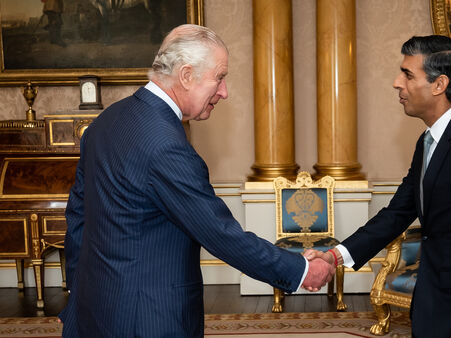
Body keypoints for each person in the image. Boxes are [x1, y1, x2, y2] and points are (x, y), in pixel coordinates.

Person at [58, 24, 335, 337]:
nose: (225, 91)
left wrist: (76, 299)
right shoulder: (165, 146)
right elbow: (220, 233)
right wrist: (301, 270)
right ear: (186, 75)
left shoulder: (107, 121)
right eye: (219, 77)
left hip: (97, 309)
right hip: (148, 318)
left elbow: (78, 219)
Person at [305, 35, 451, 337]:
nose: (396, 83)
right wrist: (335, 256)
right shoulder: (428, 141)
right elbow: (397, 213)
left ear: (439, 84)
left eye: (407, 74)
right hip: (433, 296)